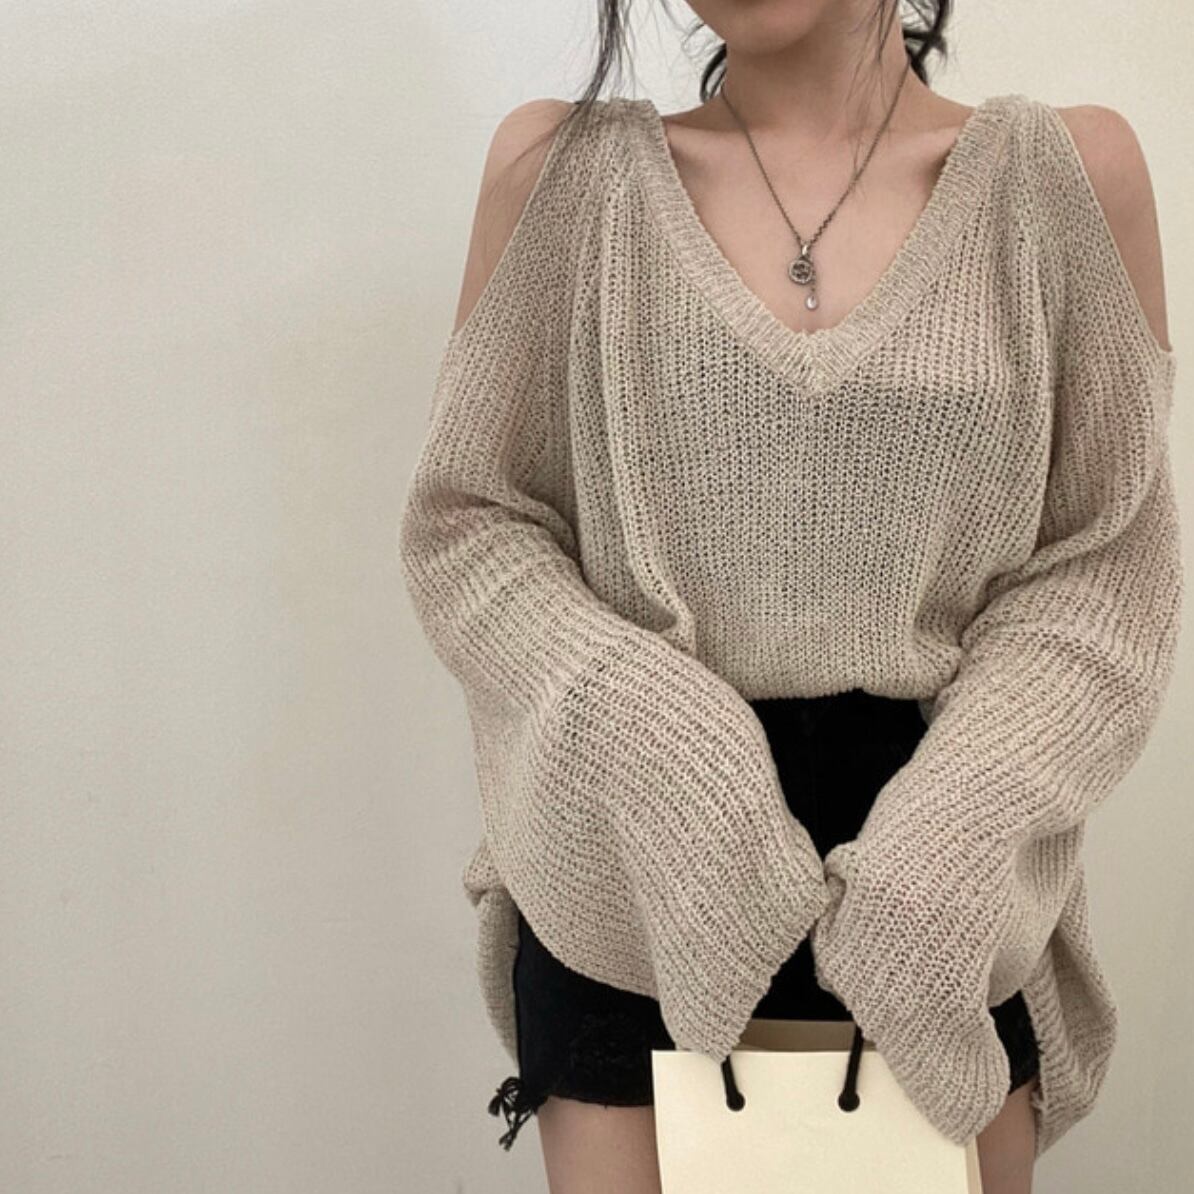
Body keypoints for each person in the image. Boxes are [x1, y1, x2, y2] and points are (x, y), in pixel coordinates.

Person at [398, 2, 1179, 1192]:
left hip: (945, 894)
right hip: (633, 882)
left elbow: (1103, 563)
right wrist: (655, 744)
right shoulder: (562, 177)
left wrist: (956, 832)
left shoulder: (1061, 177)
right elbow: (471, 524)